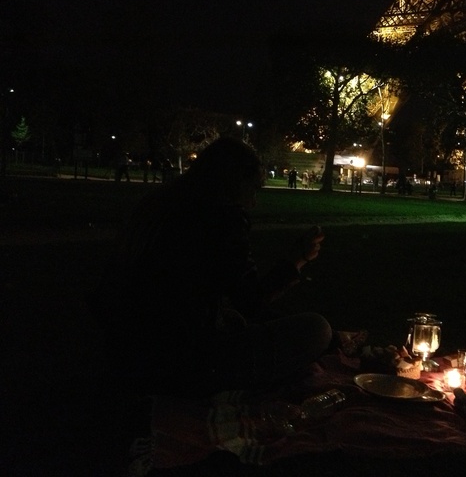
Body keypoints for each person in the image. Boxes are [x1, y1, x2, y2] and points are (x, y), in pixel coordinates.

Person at [89, 137, 332, 398]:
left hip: (124, 353)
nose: (253, 202)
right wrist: (298, 259)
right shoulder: (220, 219)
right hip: (180, 364)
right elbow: (251, 300)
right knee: (317, 329)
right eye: (253, 189)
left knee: (254, 320)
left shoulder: (155, 206)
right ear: (236, 183)